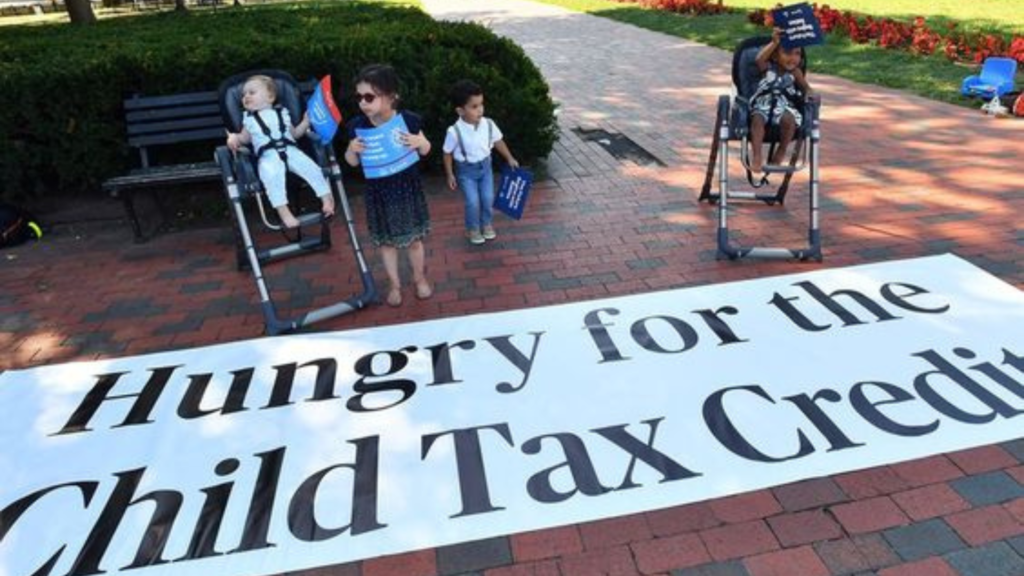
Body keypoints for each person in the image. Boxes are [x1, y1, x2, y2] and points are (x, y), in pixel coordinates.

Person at [343, 64, 432, 307]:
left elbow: (426, 149)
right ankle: (395, 284)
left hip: (406, 189)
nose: (363, 102)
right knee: (386, 243)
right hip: (378, 192)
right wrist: (351, 150)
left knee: (414, 240)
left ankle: (420, 279)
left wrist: (419, 142)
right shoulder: (357, 127)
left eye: (369, 96)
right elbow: (351, 163)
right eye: (359, 96)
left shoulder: (409, 121)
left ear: (391, 96)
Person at [226, 75, 335, 229]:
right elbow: (244, 138)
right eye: (244, 95)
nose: (246, 97)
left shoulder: (283, 113)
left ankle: (326, 198)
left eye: (252, 92)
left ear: (270, 97)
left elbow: (295, 134)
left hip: (291, 150)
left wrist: (305, 123)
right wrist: (233, 138)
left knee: (312, 168)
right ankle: (285, 213)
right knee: (272, 177)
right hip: (268, 156)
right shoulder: (248, 120)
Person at [442, 79, 519, 245]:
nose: (480, 110)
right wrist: (450, 174)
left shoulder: (488, 124)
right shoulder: (454, 131)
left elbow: (498, 141)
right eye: (474, 107)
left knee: (487, 197)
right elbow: (447, 153)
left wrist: (510, 158)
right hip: (466, 171)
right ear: (460, 110)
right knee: (472, 201)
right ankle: (473, 228)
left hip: (485, 168)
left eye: (481, 104)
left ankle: (486, 224)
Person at [749, 28, 813, 173]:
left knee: (789, 120)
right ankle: (757, 155)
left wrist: (810, 93)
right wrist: (774, 42)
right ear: (775, 56)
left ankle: (781, 151)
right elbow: (759, 59)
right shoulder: (767, 67)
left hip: (784, 105)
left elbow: (806, 88)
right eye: (787, 53)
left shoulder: (796, 73)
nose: (793, 58)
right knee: (757, 120)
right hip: (764, 102)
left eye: (797, 54)